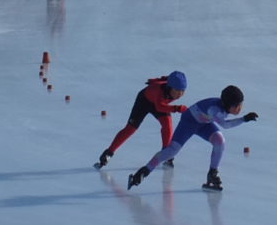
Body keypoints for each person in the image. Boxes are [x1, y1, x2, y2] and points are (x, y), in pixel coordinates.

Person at [128, 85, 258, 191]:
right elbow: (225, 125)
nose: (240, 108)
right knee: (172, 151)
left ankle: (213, 173)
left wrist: (243, 118)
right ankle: (144, 171)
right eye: (238, 106)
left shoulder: (222, 108)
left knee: (219, 141)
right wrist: (244, 119)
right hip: (189, 123)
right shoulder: (215, 110)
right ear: (229, 105)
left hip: (204, 123)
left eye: (241, 104)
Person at [96, 71, 189, 170]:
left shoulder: (171, 87)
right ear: (170, 87)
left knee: (168, 125)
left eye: (183, 91)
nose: (180, 94)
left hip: (159, 104)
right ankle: (108, 153)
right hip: (144, 102)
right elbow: (160, 107)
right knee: (130, 129)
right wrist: (177, 108)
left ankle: (166, 154)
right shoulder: (159, 90)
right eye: (177, 90)